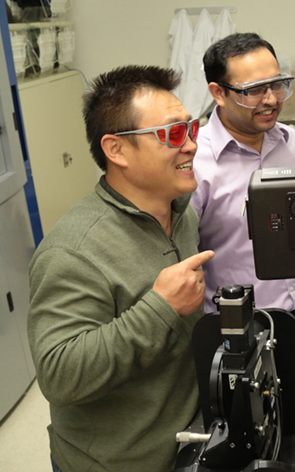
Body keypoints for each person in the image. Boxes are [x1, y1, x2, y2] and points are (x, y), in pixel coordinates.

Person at [27, 65, 214, 472]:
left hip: (185, 442)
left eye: (192, 128)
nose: (192, 146)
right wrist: (161, 308)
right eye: (172, 134)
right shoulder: (73, 251)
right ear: (116, 150)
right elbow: (58, 376)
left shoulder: (180, 213)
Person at [194, 32, 295, 329]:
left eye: (277, 85)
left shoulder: (291, 141)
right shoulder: (195, 161)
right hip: (240, 322)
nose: (270, 100)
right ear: (218, 93)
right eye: (254, 90)